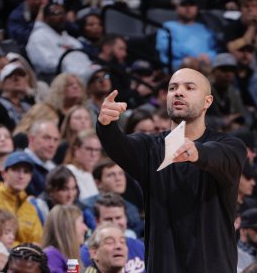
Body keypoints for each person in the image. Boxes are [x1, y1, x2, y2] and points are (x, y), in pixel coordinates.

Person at [96, 67, 247, 272]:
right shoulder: (149, 148)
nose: (178, 92)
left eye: (189, 87)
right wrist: (106, 125)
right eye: (172, 88)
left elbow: (221, 157)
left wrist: (197, 153)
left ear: (207, 101)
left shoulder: (230, 145)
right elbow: (118, 145)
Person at [81, 193, 145, 271]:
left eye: (118, 217)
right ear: (97, 221)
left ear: (126, 218)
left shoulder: (140, 247)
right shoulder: (84, 255)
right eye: (108, 219)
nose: (114, 223)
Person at [26, 1, 91, 76]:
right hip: (57, 79)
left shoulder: (71, 39)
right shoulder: (38, 37)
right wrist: (76, 70)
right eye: (56, 13)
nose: (61, 17)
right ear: (46, 18)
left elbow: (85, 60)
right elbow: (48, 65)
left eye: (63, 13)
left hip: (81, 76)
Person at [82, 159, 144, 237]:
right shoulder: (85, 206)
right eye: (111, 175)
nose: (118, 179)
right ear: (98, 183)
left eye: (121, 173)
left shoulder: (132, 208)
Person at [0, 151, 43, 245]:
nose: (21, 176)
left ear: (30, 177)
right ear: (4, 173)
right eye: (16, 170)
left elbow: (38, 242)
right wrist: (23, 247)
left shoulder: (30, 208)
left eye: (26, 172)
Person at [156, 0, 217, 71]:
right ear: (177, 8)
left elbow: (214, 49)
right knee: (189, 62)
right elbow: (165, 47)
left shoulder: (204, 28)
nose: (188, 8)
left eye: (191, 5)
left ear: (196, 8)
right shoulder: (168, 26)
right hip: (178, 64)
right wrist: (195, 56)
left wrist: (209, 56)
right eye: (184, 5)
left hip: (205, 64)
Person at [42, 205, 88, 273]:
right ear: (68, 227)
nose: (85, 228)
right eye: (81, 222)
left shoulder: (71, 256)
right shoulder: (50, 256)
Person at [24, 120, 60, 196]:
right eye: (46, 138)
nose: (52, 145)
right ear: (32, 139)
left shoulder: (57, 168)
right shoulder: (22, 165)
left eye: (56, 140)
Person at [63, 129, 101, 200]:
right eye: (89, 149)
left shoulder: (89, 174)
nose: (93, 154)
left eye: (97, 150)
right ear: (76, 150)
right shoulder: (69, 171)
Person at [0, 62, 31, 131]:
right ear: (2, 83)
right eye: (11, 75)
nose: (17, 78)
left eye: (21, 75)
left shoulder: (29, 106)